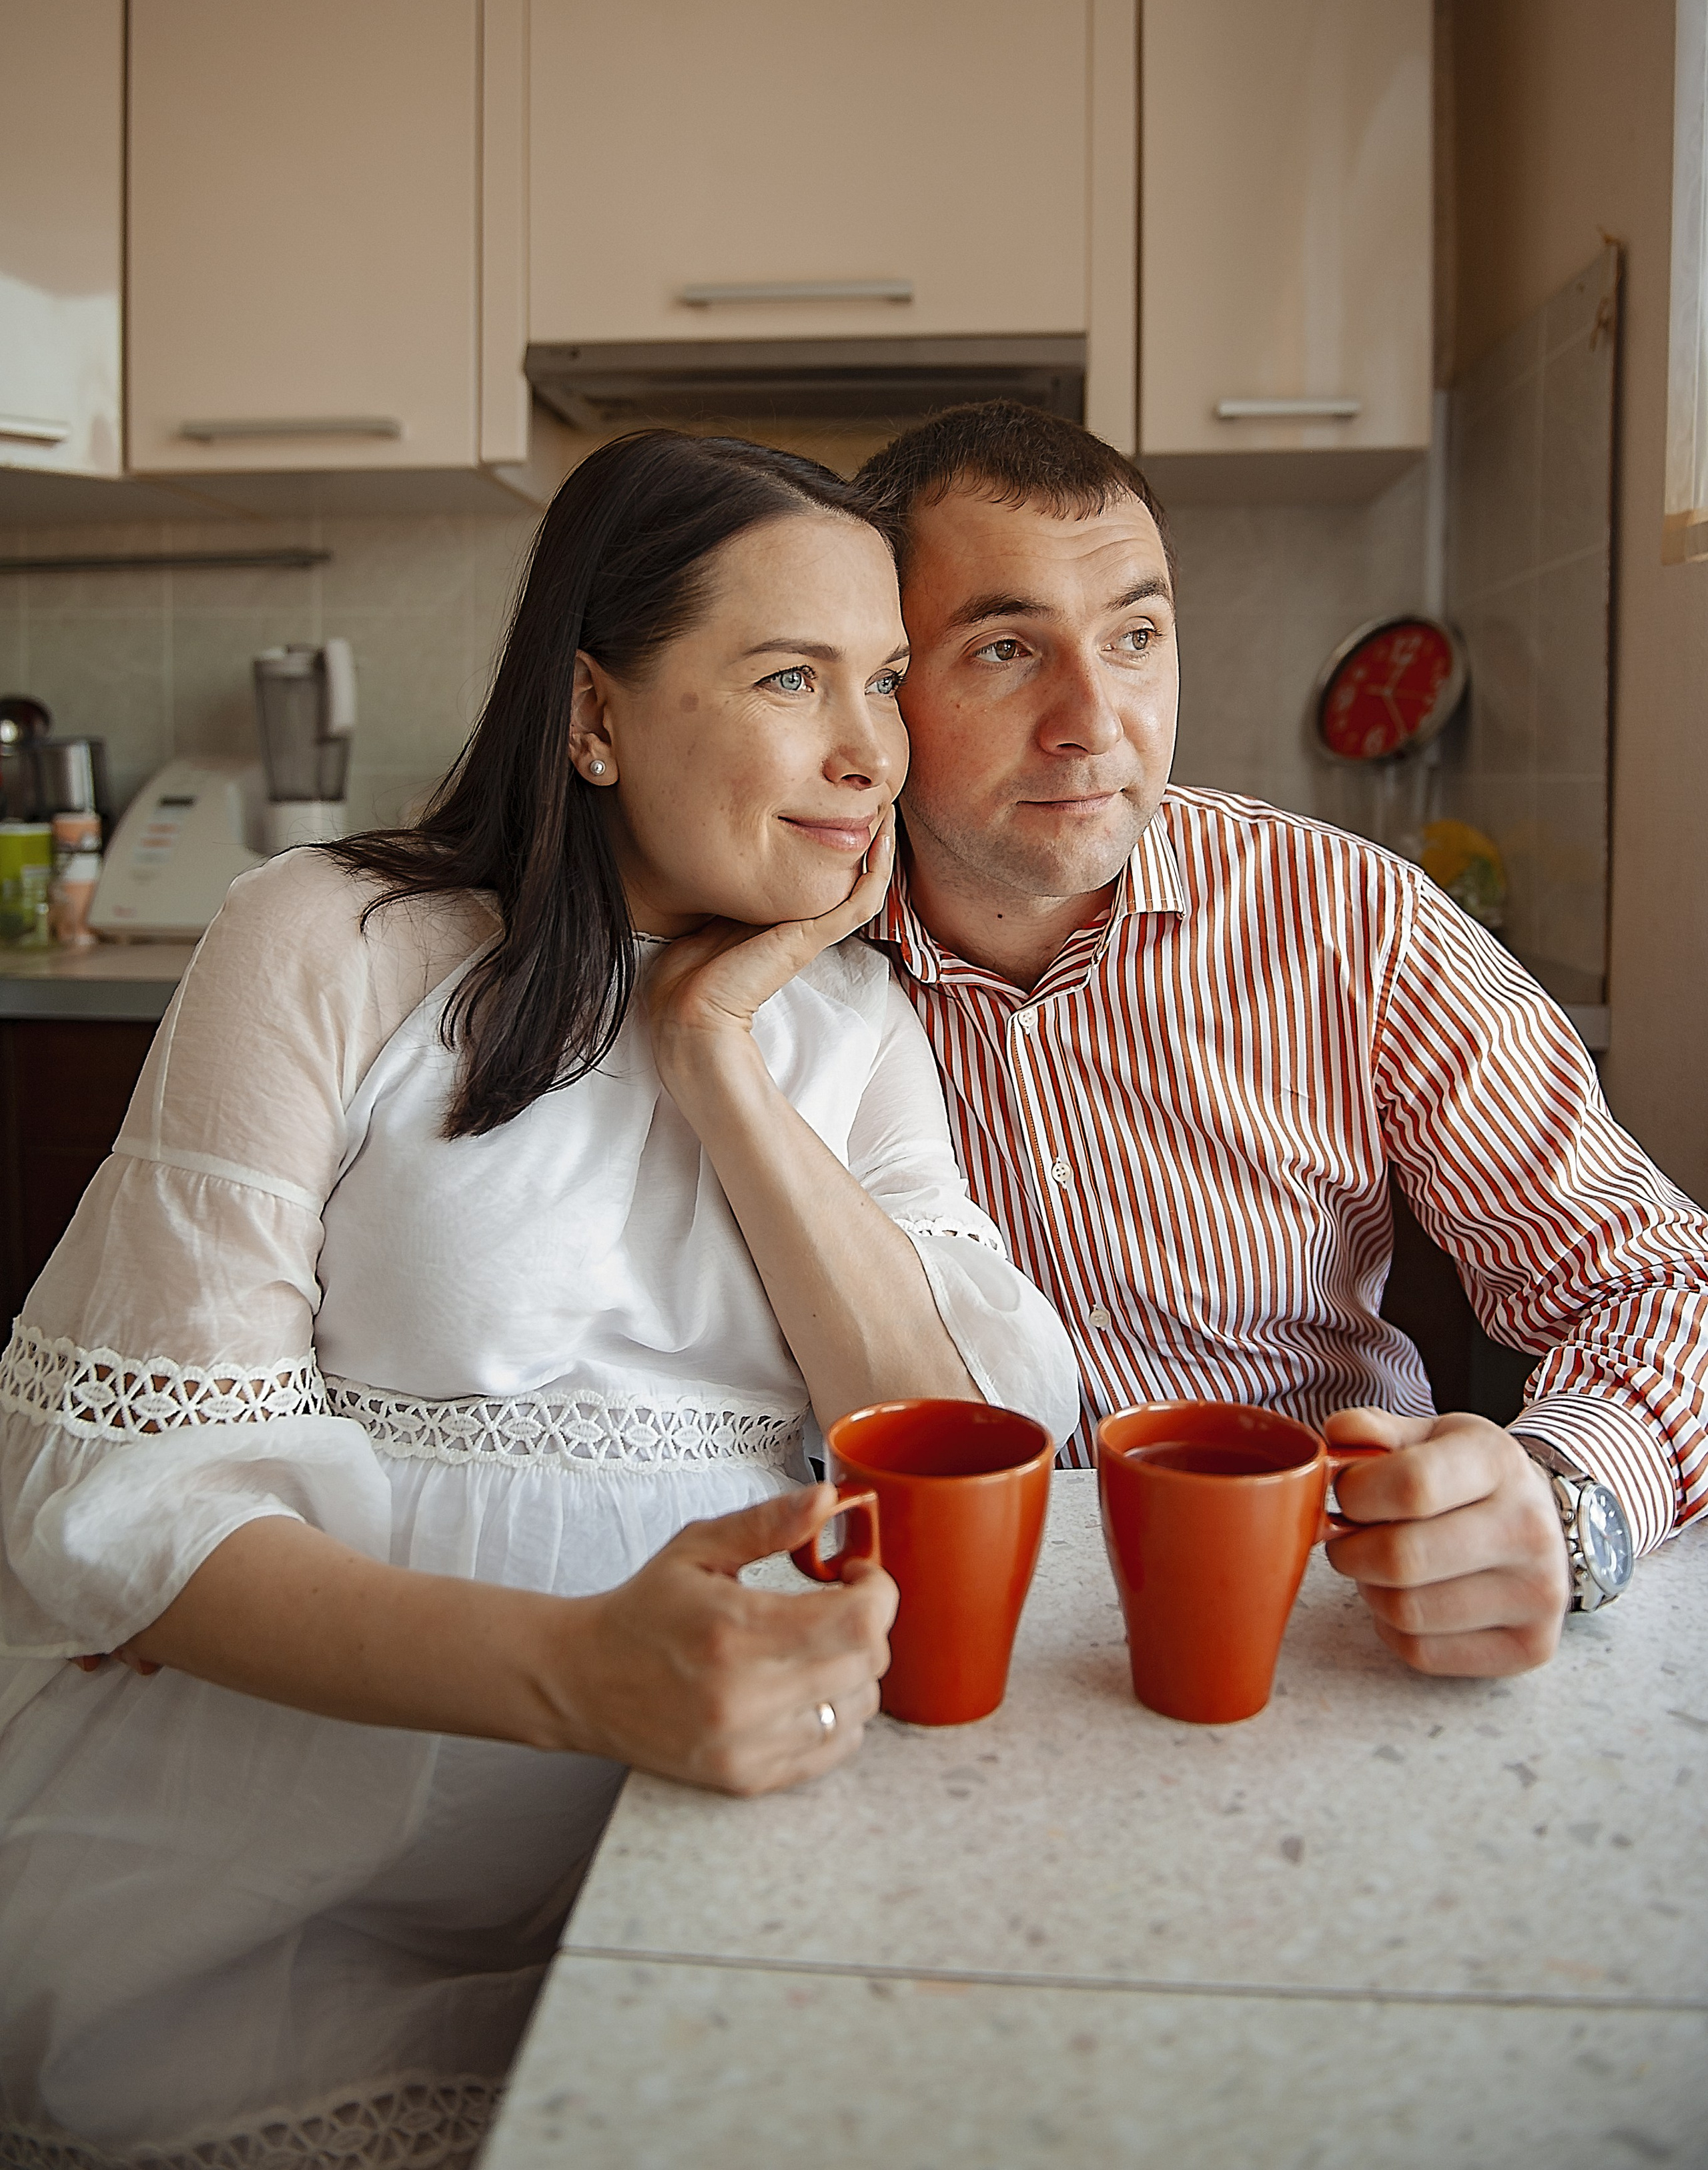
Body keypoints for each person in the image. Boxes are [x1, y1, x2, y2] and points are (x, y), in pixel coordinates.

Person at [0, 430, 1079, 2168]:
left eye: (882, 679)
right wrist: (581, 1672)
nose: (872, 751)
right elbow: (138, 1501)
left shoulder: (852, 1025)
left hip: (714, 1845)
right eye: (790, 677)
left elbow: (965, 1439)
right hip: (298, 1876)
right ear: (593, 714)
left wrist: (713, 1049)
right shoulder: (335, 940)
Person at [856, 400, 1708, 1680]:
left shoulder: (1351, 924)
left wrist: (1562, 1494)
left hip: (1330, 1622)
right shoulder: (785, 964)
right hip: (924, 1633)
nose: (1096, 719)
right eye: (1006, 650)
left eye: (1135, 638)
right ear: (883, 685)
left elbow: (1660, 1283)